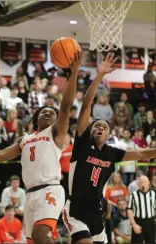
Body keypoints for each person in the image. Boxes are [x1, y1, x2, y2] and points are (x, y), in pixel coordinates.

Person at [0, 51, 82, 244]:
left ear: (58, 121)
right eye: (44, 112)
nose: (48, 114)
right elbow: (0, 155)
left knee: (41, 236)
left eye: (52, 113)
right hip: (31, 193)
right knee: (33, 240)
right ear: (36, 118)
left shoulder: (55, 134)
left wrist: (73, 74)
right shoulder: (25, 139)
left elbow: (65, 106)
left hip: (50, 189)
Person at [62, 53, 156, 244]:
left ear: (108, 135)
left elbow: (142, 153)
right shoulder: (82, 145)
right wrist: (99, 76)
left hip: (97, 212)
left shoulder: (112, 153)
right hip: (75, 210)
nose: (99, 127)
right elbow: (86, 106)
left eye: (104, 127)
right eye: (96, 125)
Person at [127, 175, 156, 244]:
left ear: (148, 183)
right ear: (138, 184)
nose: (143, 184)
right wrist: (134, 224)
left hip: (151, 222)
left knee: (151, 242)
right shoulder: (133, 195)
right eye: (141, 182)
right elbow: (129, 209)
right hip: (138, 222)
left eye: (145, 182)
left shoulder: (153, 194)